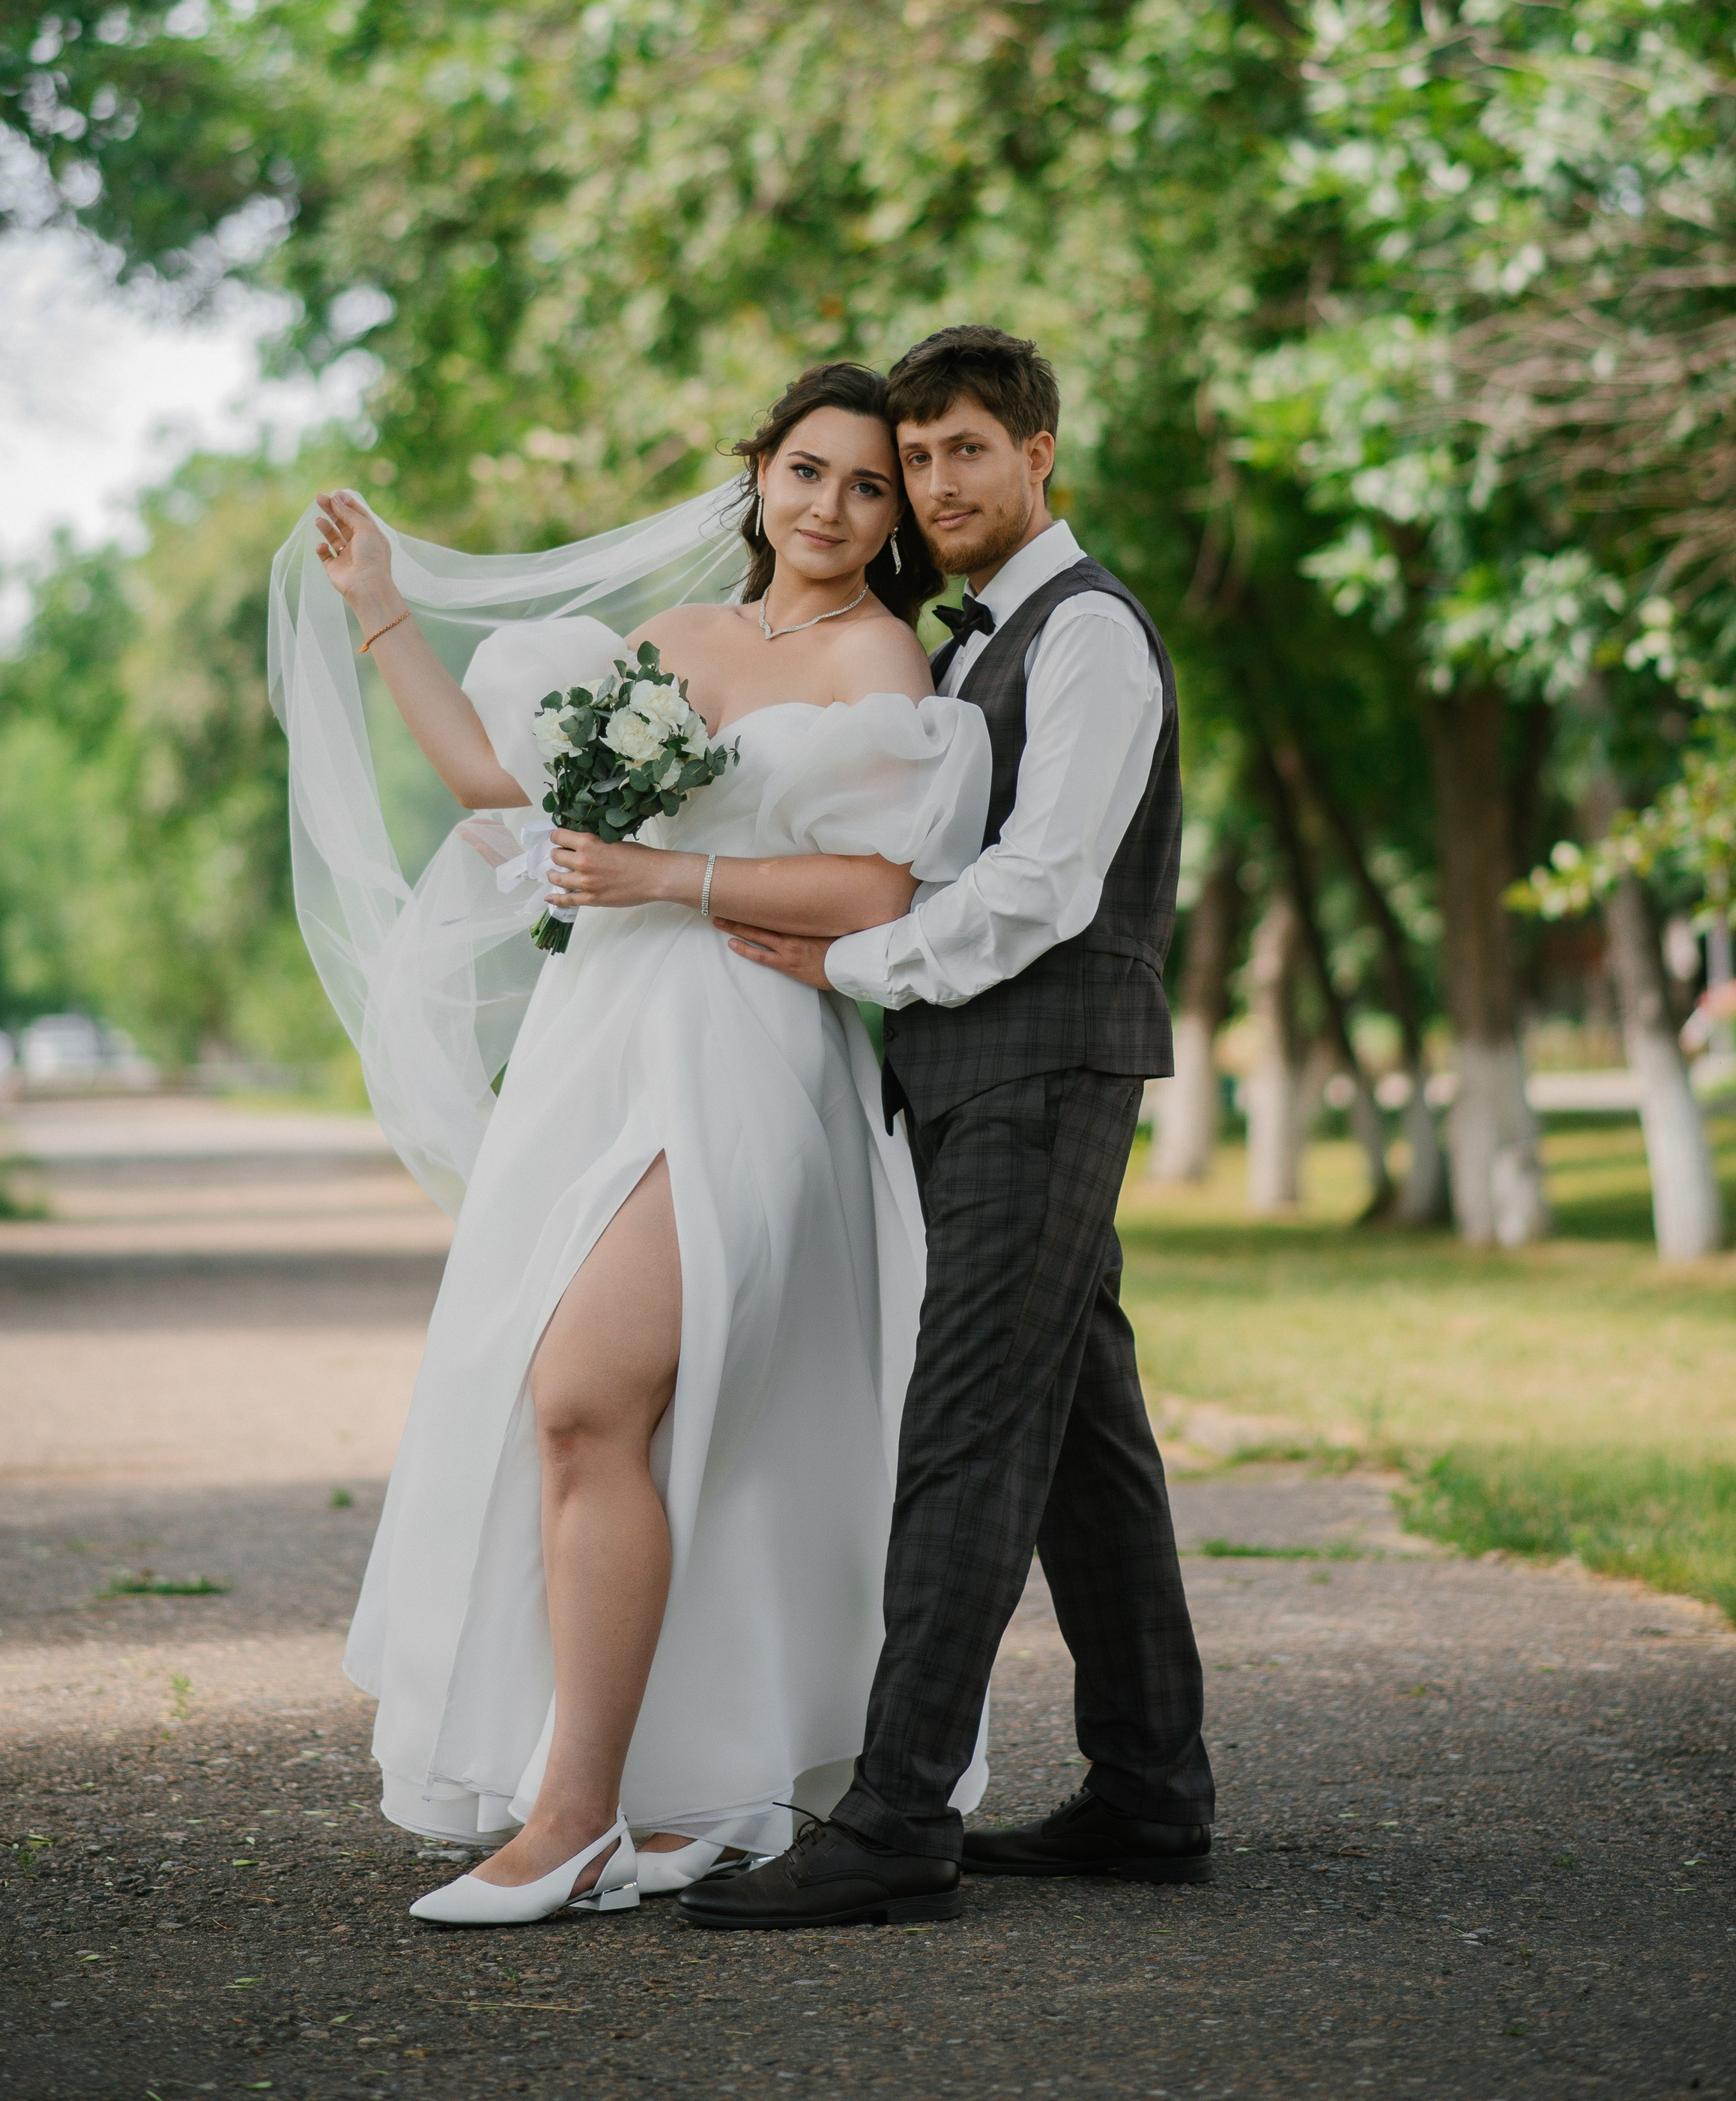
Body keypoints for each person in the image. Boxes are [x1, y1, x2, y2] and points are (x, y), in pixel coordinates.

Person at [279, 363, 992, 1926]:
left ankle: (574, 1815)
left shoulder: (880, 654)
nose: (831, 506)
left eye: (868, 488)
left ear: (890, 523)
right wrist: (382, 611)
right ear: (758, 474)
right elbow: (499, 795)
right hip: (595, 1049)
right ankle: (683, 1792)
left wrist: (669, 877)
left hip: (742, 1048)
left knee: (585, 1393)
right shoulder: (665, 647)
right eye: (808, 470)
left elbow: (877, 892)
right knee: (646, 1424)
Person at [695, 323, 1214, 1931]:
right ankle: (1147, 1791)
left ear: (1039, 454)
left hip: (1042, 1069)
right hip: (981, 1076)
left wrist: (857, 964)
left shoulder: (1087, 635)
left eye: (961, 450)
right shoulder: (983, 636)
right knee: (1082, 1447)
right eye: (914, 458)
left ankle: (895, 1816)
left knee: (968, 1428)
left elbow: (1047, 885)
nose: (932, 483)